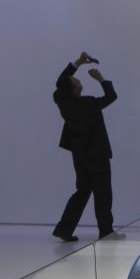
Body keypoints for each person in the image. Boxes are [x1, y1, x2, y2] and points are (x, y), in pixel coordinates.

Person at [52, 52, 123, 242]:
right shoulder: (89, 103)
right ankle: (106, 231)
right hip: (97, 154)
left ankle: (64, 229)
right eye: (76, 80)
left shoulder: (62, 102)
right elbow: (111, 96)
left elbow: (61, 82)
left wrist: (78, 62)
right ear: (75, 89)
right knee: (103, 192)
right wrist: (101, 79)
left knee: (82, 191)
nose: (77, 80)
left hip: (80, 155)